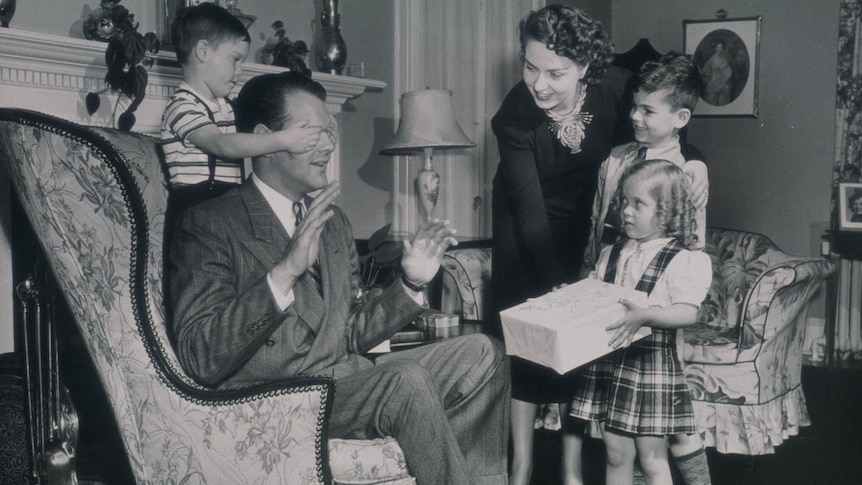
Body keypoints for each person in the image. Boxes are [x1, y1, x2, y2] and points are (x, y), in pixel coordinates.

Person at [167, 71, 511, 485]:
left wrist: (412, 282)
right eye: (312, 131)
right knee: (404, 380)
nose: (329, 144)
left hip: (346, 382)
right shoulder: (211, 223)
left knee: (484, 354)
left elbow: (349, 331)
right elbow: (200, 358)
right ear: (267, 139)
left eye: (329, 131)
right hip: (277, 399)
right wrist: (284, 273)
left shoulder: (333, 222)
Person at [490, 5, 632, 484]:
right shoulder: (513, 117)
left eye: (556, 72)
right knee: (530, 337)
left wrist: (690, 161)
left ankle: (571, 467)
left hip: (584, 218)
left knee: (582, 344)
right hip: (521, 220)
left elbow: (659, 130)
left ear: (586, 68)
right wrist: (559, 290)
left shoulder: (615, 87)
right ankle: (521, 466)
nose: (539, 84)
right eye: (530, 67)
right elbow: (530, 214)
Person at [582, 53, 712, 485]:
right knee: (621, 433)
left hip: (661, 304)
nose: (635, 116)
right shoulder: (616, 159)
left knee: (669, 425)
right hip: (617, 295)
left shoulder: (688, 168)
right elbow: (600, 227)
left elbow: (691, 241)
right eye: (633, 106)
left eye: (647, 110)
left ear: (680, 117)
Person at [160, 2, 319, 220]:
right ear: (203, 51)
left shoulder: (225, 105)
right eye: (235, 59)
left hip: (225, 203)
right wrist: (284, 139)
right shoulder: (182, 106)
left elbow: (256, 130)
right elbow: (222, 145)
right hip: (194, 210)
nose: (239, 70)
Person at [701, 40, 732, 106]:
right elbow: (705, 73)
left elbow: (728, 72)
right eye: (717, 47)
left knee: (723, 103)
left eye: (721, 48)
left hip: (724, 84)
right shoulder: (711, 60)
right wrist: (709, 83)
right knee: (712, 102)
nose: (719, 49)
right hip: (713, 84)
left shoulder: (725, 60)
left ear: (723, 49)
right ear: (715, 48)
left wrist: (725, 79)